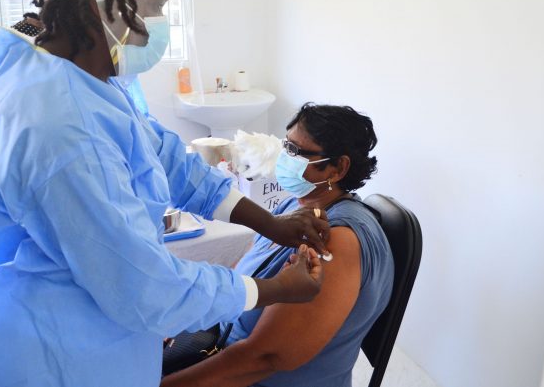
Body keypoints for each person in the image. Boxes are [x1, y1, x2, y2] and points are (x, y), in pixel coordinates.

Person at [0, 0, 331, 387]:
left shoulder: (58, 59)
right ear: (99, 8)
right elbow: (143, 286)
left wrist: (271, 223)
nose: (160, 26)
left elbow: (164, 158)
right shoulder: (62, 130)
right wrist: (270, 289)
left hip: (58, 323)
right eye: (154, 9)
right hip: (50, 352)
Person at [161, 103, 395, 387]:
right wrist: (181, 319)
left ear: (338, 167)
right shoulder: (294, 206)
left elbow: (265, 358)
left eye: (296, 152)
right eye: (286, 146)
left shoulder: (337, 239)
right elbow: (239, 275)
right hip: (220, 347)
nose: (285, 157)